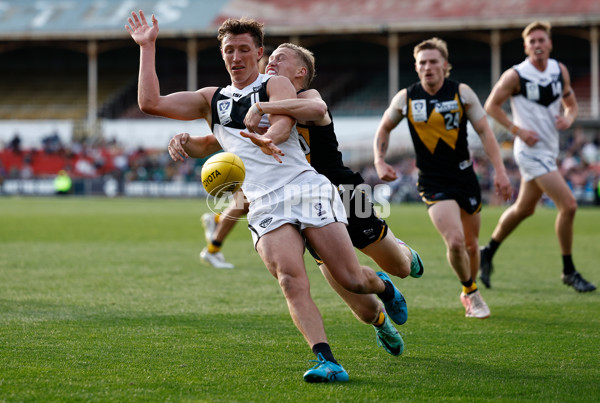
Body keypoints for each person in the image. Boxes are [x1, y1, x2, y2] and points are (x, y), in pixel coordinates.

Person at [127, 10, 408, 383]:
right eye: (230, 50)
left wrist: (269, 137)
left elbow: (283, 122)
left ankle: (384, 286)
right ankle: (328, 361)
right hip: (263, 203)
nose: (236, 57)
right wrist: (148, 48)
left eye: (245, 49)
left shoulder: (274, 87)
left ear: (259, 53)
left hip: (305, 188)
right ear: (222, 54)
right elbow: (151, 103)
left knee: (352, 279)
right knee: (291, 280)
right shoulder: (210, 99)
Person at [182, 41, 424, 353]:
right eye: (270, 58)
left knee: (401, 267)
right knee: (361, 306)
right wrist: (186, 141)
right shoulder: (253, 106)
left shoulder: (306, 97)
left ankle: (404, 253)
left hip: (344, 191)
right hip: (301, 202)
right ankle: (380, 322)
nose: (271, 63)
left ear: (300, 72)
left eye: (280, 59)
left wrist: (263, 108)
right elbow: (213, 140)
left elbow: (316, 109)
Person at [373, 37, 512, 319]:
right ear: (416, 67)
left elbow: (485, 132)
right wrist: (379, 160)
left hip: (464, 177)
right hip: (432, 181)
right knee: (456, 241)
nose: (428, 67)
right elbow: (384, 128)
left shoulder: (462, 93)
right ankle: (471, 292)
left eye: (433, 61)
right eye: (422, 62)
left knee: (472, 245)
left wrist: (500, 170)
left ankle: (468, 288)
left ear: (445, 65)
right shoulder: (406, 98)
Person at [480, 21, 596, 293]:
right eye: (532, 42)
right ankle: (569, 271)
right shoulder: (516, 75)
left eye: (541, 40)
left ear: (549, 44)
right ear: (526, 47)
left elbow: (571, 105)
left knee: (524, 209)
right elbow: (491, 106)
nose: (537, 45)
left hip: (548, 151)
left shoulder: (559, 71)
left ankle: (488, 251)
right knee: (569, 205)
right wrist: (517, 130)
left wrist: (569, 118)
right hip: (529, 152)